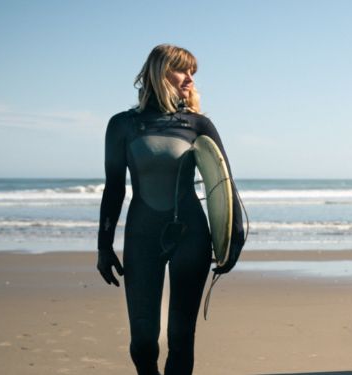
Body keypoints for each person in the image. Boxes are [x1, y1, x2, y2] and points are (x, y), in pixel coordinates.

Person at [97, 44, 245, 375]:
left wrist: (234, 238)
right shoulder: (122, 125)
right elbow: (114, 188)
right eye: (183, 70)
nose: (190, 78)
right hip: (142, 236)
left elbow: (222, 183)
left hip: (190, 235)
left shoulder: (198, 125)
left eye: (193, 72)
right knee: (144, 341)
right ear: (161, 72)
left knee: (181, 338)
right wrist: (103, 246)